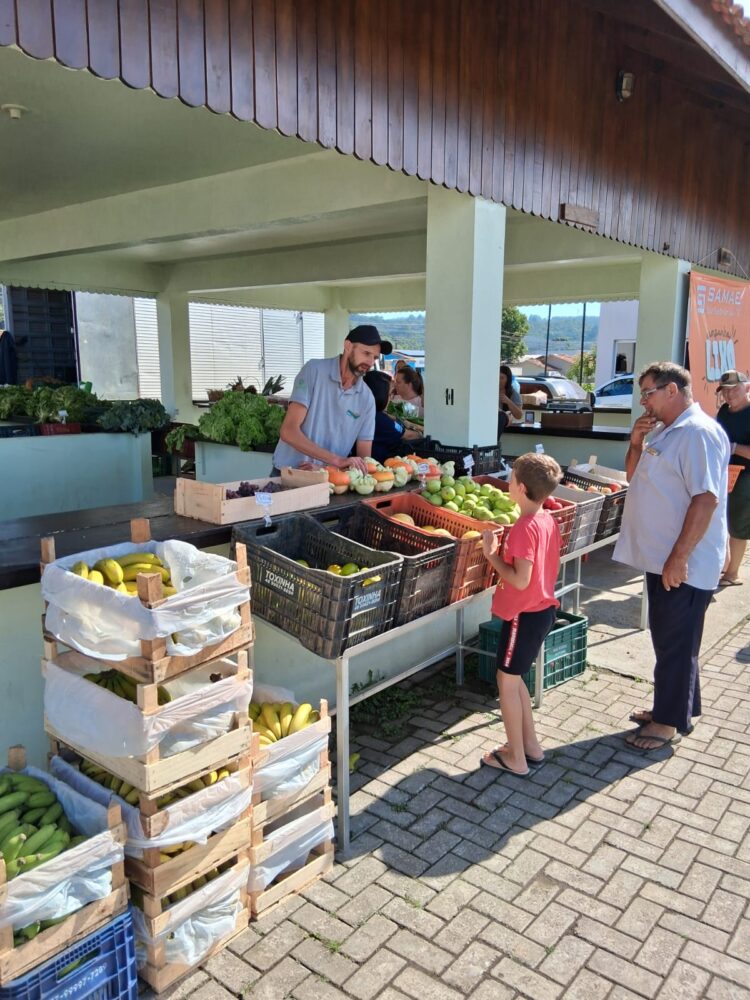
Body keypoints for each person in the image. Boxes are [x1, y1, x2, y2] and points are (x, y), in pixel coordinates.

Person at [614, 361, 729, 751]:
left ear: (672, 391)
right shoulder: (666, 430)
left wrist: (679, 558)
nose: (643, 401)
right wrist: (634, 444)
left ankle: (666, 724)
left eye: (648, 392)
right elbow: (634, 477)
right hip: (661, 557)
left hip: (684, 563)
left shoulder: (697, 434)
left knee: (675, 642)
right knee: (672, 641)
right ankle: (679, 706)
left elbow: (706, 498)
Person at [479, 453, 563, 776]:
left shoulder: (523, 528)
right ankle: (530, 747)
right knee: (515, 681)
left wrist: (491, 556)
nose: (508, 482)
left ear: (521, 488)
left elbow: (519, 578)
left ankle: (516, 758)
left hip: (523, 615)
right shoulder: (547, 520)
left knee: (505, 680)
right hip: (541, 612)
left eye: (511, 478)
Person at [272, 325, 391, 474]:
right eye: (366, 353)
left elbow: (364, 461)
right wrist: (337, 461)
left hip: (331, 483)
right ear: (347, 346)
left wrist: (327, 469)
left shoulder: (367, 399)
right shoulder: (314, 370)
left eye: (374, 357)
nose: (370, 362)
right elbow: (288, 431)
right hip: (289, 474)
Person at [714, 369, 750, 587]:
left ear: (746, 387)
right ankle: (725, 566)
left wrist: (735, 447)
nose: (729, 394)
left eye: (734, 389)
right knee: (722, 520)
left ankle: (733, 573)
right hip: (725, 473)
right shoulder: (724, 412)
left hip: (746, 476)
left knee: (738, 524)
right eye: (725, 390)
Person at [363, 370, 422, 463]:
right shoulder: (393, 404)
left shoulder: (416, 404)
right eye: (389, 394)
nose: (395, 385)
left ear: (409, 385)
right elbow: (408, 434)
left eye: (398, 382)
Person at [498, 364, 523, 437]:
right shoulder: (490, 392)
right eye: (497, 377)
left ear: (507, 379)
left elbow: (519, 415)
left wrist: (508, 401)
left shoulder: (513, 394)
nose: (499, 380)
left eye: (502, 378)